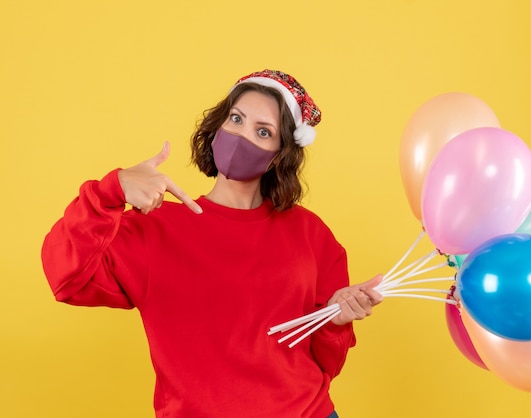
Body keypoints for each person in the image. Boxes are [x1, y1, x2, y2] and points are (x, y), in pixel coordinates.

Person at [41, 69, 383, 418]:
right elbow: (65, 277)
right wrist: (111, 190)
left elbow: (327, 363)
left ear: (279, 155)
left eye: (263, 132)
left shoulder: (311, 235)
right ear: (219, 124)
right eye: (236, 119)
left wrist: (336, 320)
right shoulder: (155, 229)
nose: (241, 136)